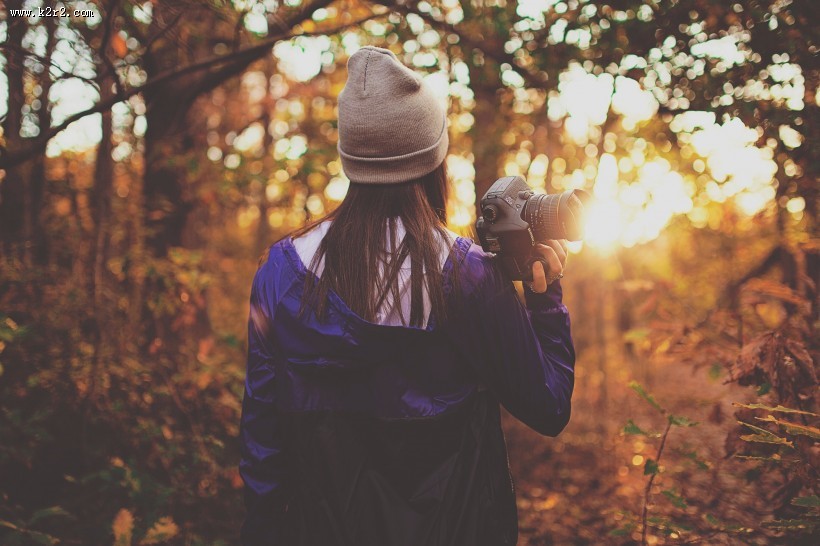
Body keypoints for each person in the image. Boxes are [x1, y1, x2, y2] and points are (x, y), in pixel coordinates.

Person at [239, 45, 575, 546]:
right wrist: (546, 298)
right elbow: (548, 406)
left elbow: (263, 439)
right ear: (434, 160)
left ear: (351, 159)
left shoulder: (280, 274)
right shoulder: (468, 276)